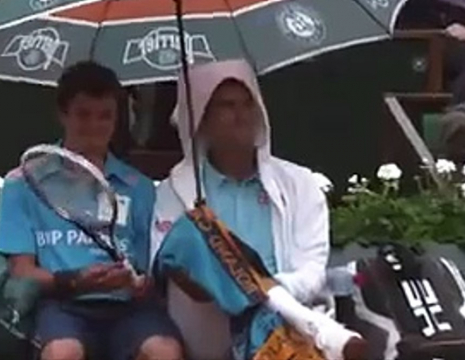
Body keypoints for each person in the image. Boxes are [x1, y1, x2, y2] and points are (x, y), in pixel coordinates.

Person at [150, 59, 366, 360]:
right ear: (202, 118)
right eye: (227, 106)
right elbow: (166, 262)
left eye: (247, 104)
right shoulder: (173, 189)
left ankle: (282, 311)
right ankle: (316, 327)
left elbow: (312, 272)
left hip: (283, 326)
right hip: (210, 328)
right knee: (193, 234)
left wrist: (262, 291)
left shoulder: (300, 183)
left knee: (262, 316)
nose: (241, 115)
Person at [0, 61, 184, 360]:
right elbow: (21, 273)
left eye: (105, 116)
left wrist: (138, 282)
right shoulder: (23, 183)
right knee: (63, 353)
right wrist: (74, 280)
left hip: (129, 310)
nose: (94, 127)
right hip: (60, 305)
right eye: (83, 115)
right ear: (62, 114)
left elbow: (152, 273)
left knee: (164, 351)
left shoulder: (140, 187)